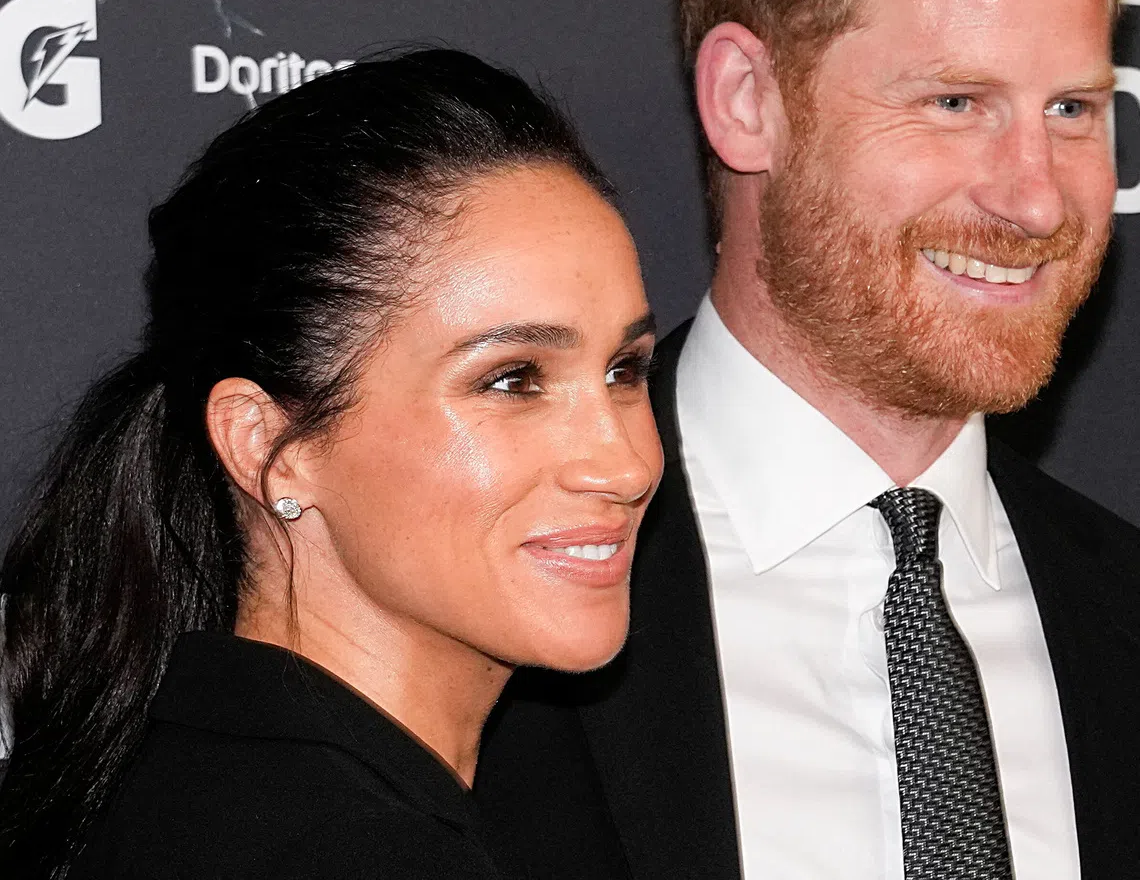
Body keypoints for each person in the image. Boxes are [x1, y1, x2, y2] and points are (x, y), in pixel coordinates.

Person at [476, 0, 1140, 880]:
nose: (1035, 197)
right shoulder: (484, 607)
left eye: (1071, 109)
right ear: (749, 101)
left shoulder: (1120, 612)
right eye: (956, 103)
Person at [0, 48, 662, 879]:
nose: (624, 463)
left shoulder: (207, 783)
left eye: (625, 370)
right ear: (267, 446)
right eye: (512, 380)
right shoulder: (343, 844)